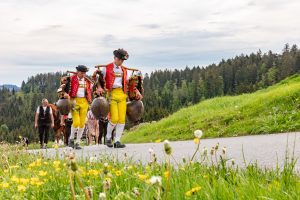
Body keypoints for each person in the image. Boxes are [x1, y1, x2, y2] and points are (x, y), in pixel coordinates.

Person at [96, 49, 143, 148]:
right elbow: (99, 79)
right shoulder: (106, 68)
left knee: (121, 119)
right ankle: (108, 137)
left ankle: (117, 141)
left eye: (122, 60)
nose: (121, 62)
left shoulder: (124, 70)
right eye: (120, 59)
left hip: (122, 94)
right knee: (114, 118)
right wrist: (99, 87)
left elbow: (129, 83)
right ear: (115, 58)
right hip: (111, 94)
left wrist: (136, 91)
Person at [63, 65, 92, 149]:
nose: (83, 74)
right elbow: (65, 89)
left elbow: (90, 90)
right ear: (78, 72)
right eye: (82, 72)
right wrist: (65, 94)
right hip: (74, 101)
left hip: (84, 102)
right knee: (76, 122)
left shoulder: (87, 81)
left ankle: (78, 142)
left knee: (82, 123)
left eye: (85, 73)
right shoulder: (71, 79)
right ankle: (71, 139)